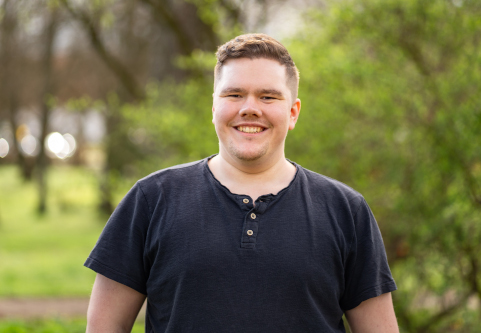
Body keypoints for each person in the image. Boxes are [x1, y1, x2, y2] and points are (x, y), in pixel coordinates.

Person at [84, 33, 399, 333]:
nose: (250, 108)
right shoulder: (151, 200)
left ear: (293, 113)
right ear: (214, 108)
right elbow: (104, 326)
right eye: (234, 94)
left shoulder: (346, 210)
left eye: (268, 96)